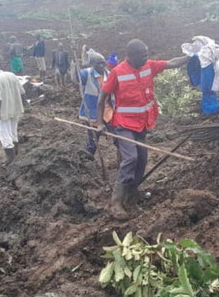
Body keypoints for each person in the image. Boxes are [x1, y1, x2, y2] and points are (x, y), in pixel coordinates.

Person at [96, 39, 189, 218]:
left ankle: (132, 192)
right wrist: (100, 123)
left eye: (147, 54)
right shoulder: (117, 73)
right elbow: (102, 100)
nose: (147, 57)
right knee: (131, 158)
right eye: (143, 55)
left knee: (142, 159)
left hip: (142, 124)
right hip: (123, 124)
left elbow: (171, 63)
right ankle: (116, 202)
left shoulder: (148, 66)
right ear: (131, 56)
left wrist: (191, 56)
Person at [0, 61, 25, 164]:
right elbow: (22, 92)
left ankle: (11, 160)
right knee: (13, 132)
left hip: (4, 112)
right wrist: (24, 105)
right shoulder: (11, 75)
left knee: (5, 136)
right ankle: (16, 155)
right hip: (15, 109)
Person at [78, 50, 112, 156]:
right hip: (93, 113)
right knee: (93, 142)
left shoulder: (110, 75)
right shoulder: (87, 73)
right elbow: (76, 78)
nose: (102, 65)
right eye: (99, 63)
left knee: (118, 139)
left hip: (108, 112)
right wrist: (77, 66)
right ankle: (89, 160)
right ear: (93, 64)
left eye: (103, 62)